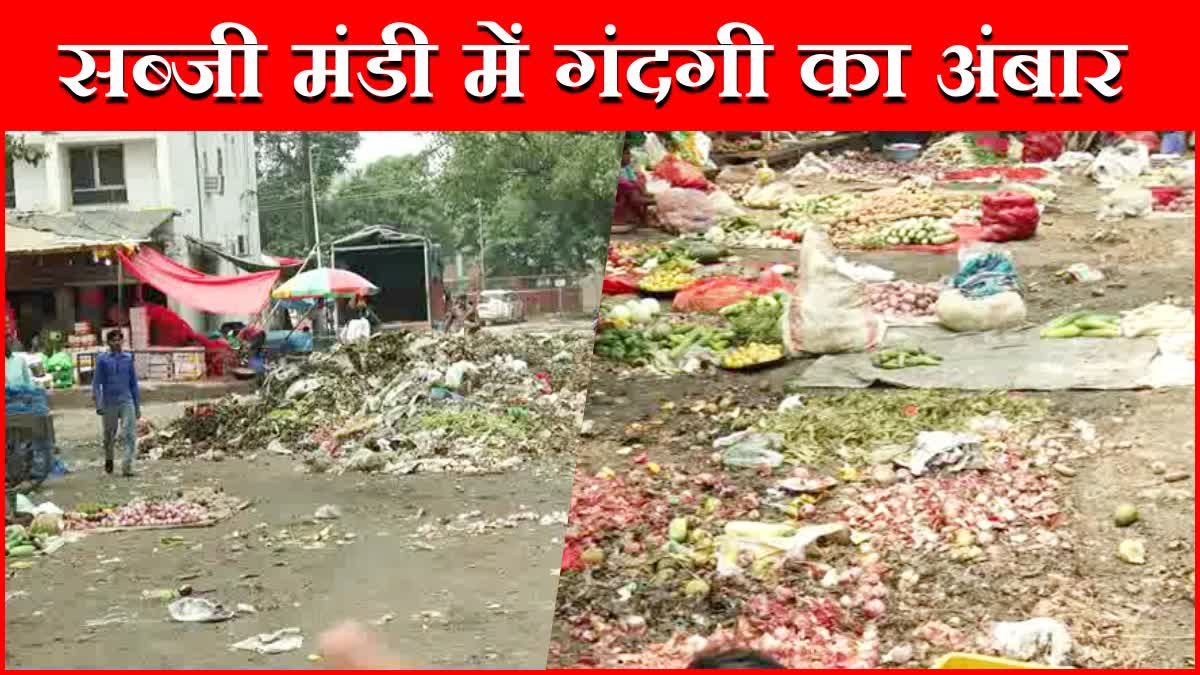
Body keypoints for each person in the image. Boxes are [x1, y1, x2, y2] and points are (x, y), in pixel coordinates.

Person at [92, 330, 141, 477]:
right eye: (114, 340)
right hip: (109, 402)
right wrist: (99, 403)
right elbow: (96, 383)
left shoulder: (128, 359)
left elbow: (133, 384)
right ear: (108, 343)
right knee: (109, 435)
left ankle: (127, 466)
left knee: (129, 434)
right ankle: (109, 459)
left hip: (127, 400)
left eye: (120, 340)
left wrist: (137, 406)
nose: (117, 343)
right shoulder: (102, 359)